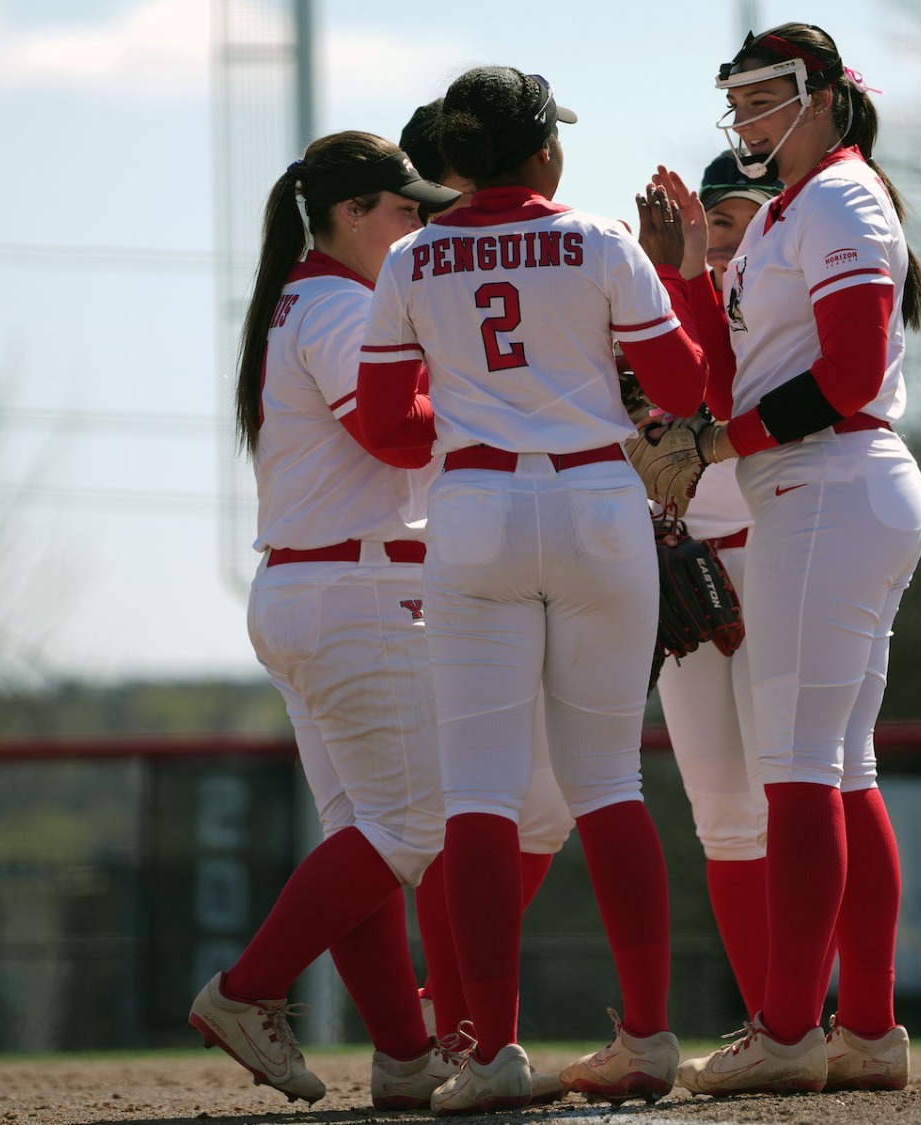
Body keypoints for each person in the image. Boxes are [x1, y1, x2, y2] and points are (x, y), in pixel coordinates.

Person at [355, 66, 709, 1114]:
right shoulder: (602, 240)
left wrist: (476, 404)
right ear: (544, 149)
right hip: (597, 503)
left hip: (474, 514)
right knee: (607, 784)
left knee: (478, 794)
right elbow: (686, 390)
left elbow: (383, 425)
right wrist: (674, 279)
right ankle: (646, 1039)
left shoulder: (415, 256)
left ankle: (487, 1052)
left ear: (454, 156)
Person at [650, 23, 921, 1097]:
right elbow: (721, 380)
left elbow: (852, 374)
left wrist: (716, 446)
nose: (746, 118)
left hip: (830, 483)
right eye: (737, 100)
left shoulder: (844, 200)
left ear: (824, 95)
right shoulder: (782, 214)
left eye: (766, 95)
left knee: (799, 767)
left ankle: (785, 1030)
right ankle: (863, 1029)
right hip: (815, 489)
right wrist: (686, 279)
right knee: (838, 767)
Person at [185, 129, 465, 1110]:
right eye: (402, 209)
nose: (417, 223)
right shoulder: (341, 305)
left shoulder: (299, 299)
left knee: (364, 836)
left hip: (316, 589)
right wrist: (484, 397)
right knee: (410, 824)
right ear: (349, 214)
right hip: (360, 591)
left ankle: (402, 1055)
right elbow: (388, 427)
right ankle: (248, 989)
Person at [394, 97, 577, 1109]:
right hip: (476, 552)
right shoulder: (454, 255)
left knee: (520, 806)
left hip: (463, 544)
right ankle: (446, 1025)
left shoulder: (428, 258)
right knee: (497, 805)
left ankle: (447, 1020)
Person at [633, 150, 782, 1023]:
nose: (719, 243)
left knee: (797, 792)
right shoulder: (659, 303)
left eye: (736, 223)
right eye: (711, 224)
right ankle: (771, 1020)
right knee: (724, 815)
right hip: (691, 561)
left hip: (777, 551)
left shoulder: (785, 298)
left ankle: (824, 1017)